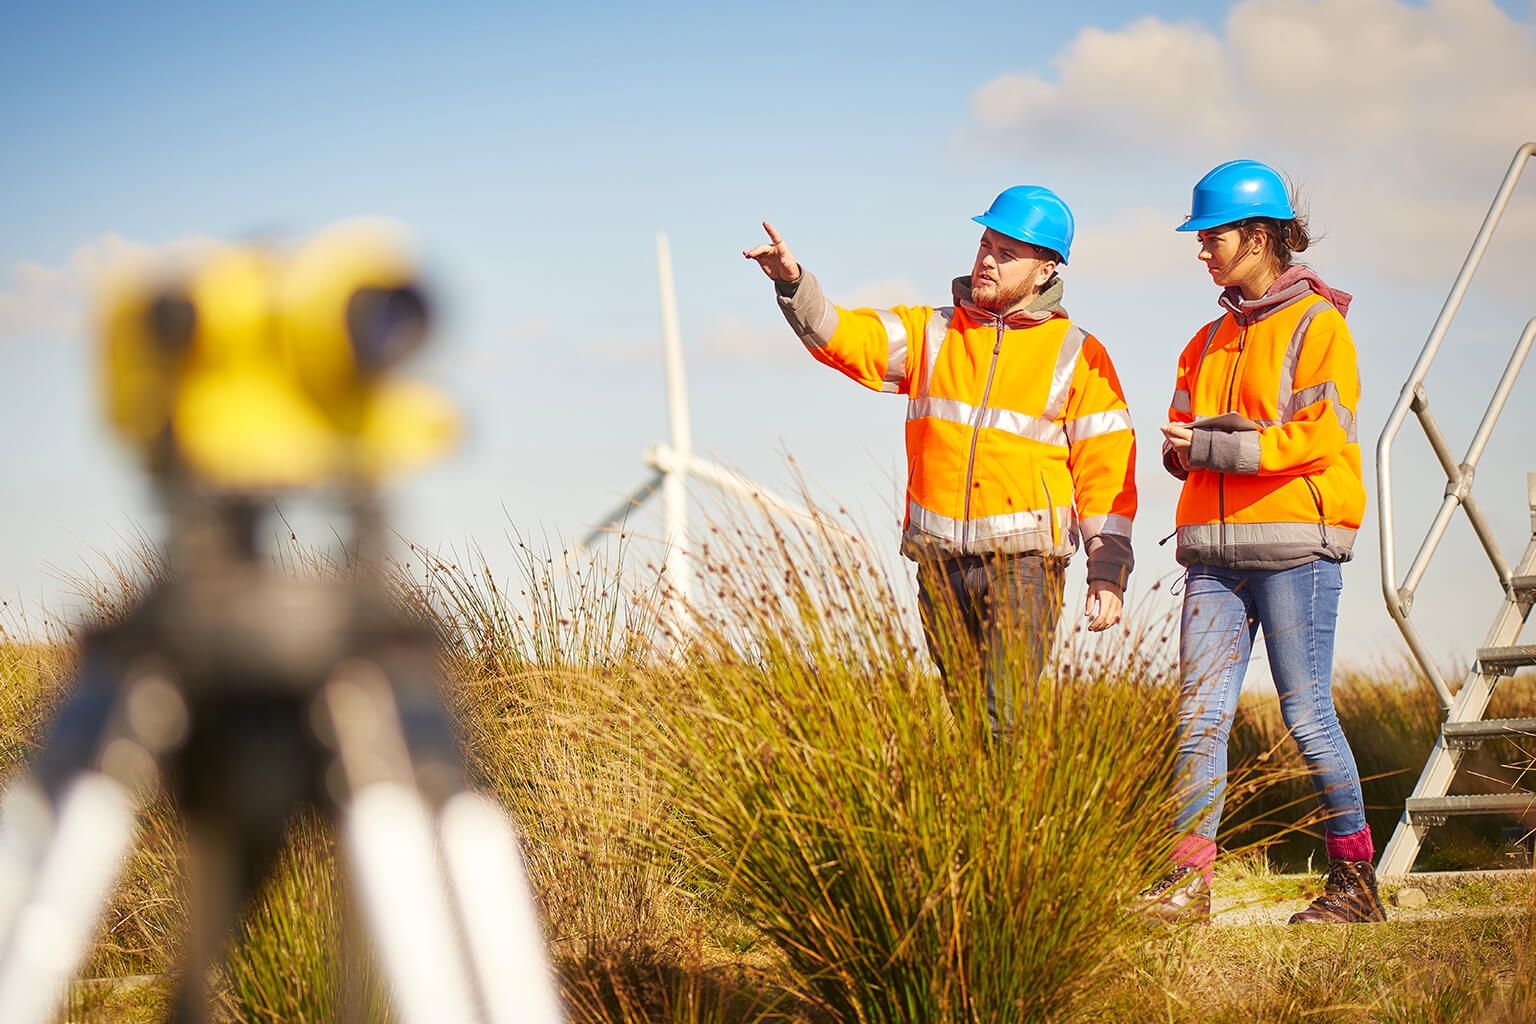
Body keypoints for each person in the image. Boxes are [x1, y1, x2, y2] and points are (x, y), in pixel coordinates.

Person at [742, 187, 1137, 739]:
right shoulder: (932, 331)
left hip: (1024, 568)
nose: (987, 260)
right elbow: (844, 336)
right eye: (984, 244)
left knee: (1003, 724)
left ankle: (1009, 827)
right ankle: (986, 826)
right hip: (940, 564)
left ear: (1046, 270)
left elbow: (1106, 465)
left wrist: (1108, 568)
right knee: (972, 723)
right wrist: (793, 283)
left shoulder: (1078, 353)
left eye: (1006, 252)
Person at [1141, 160, 1385, 925]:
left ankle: (1354, 885)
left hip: (1295, 551)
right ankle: (1188, 888)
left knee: (1307, 716)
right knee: (1197, 719)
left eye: (1213, 236)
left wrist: (1214, 449)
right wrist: (1181, 450)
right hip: (1212, 557)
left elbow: (1321, 437)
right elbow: (1185, 438)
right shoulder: (1204, 339)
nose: (1203, 251)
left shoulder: (1320, 326)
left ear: (1258, 236)